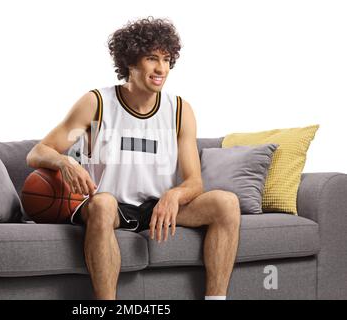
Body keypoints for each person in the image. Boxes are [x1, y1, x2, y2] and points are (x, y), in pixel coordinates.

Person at [26, 16, 240, 300]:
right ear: (130, 63)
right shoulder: (97, 104)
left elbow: (194, 181)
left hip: (156, 207)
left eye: (166, 59)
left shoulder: (179, 110)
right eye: (152, 58)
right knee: (102, 204)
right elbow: (38, 152)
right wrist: (64, 161)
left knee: (226, 202)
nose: (161, 68)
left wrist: (174, 195)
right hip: (110, 206)